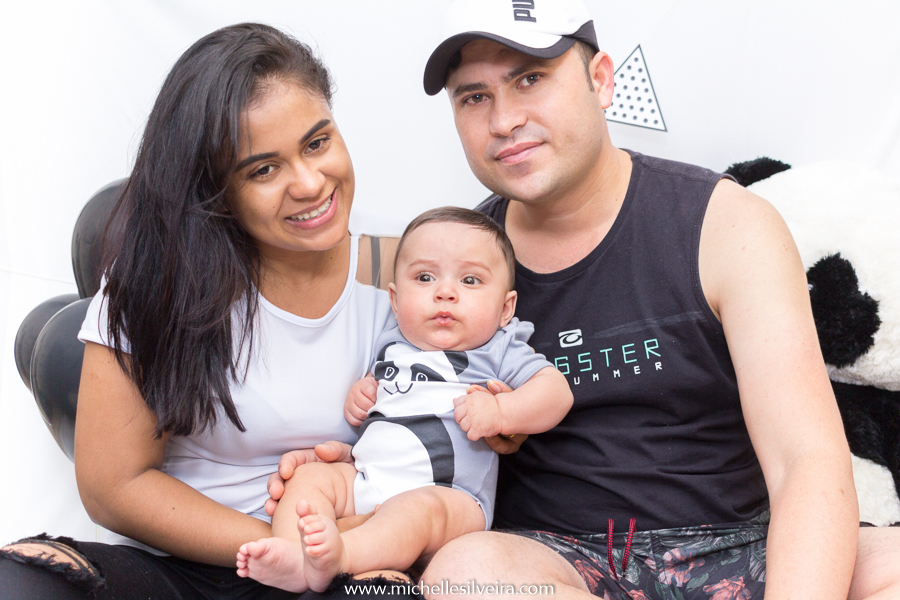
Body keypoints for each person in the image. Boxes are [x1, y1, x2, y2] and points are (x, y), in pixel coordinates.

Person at [263, 1, 900, 598]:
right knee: (466, 573)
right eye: (475, 96)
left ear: (599, 79)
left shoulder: (726, 223)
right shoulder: (452, 265)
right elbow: (407, 405)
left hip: (738, 547)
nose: (504, 119)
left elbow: (806, 459)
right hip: (557, 561)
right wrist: (350, 456)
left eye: (531, 79)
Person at [0, 22, 445, 600]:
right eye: (263, 169)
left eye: (317, 143)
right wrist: (279, 548)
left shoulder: (407, 263)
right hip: (185, 566)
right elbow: (115, 485)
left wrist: (340, 537)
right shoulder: (155, 278)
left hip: (339, 566)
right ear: (212, 188)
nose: (310, 183)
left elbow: (460, 422)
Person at [236, 207, 573, 593]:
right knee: (309, 477)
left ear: (505, 308)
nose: (445, 292)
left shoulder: (497, 349)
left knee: (416, 510)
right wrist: (360, 394)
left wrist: (503, 412)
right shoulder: (391, 342)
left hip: (448, 502)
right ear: (395, 300)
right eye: (425, 277)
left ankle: (341, 557)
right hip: (367, 481)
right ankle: (292, 557)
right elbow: (381, 398)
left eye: (470, 280)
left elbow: (555, 392)